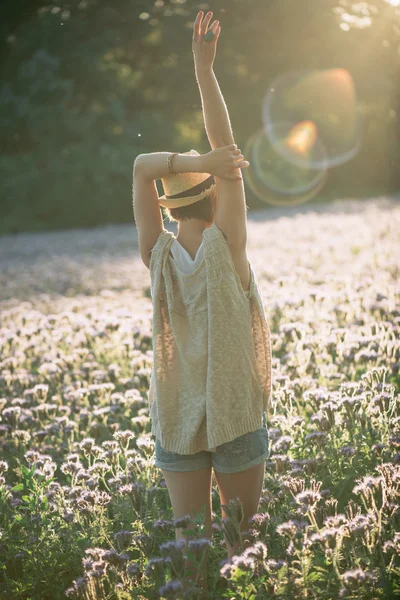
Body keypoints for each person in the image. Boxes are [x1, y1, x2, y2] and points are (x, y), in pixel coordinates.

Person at [132, 10, 272, 596]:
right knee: (244, 555)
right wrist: (203, 69)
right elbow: (226, 147)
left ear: (167, 207)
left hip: (176, 417)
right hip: (234, 407)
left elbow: (141, 166)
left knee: (188, 561)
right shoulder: (228, 246)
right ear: (218, 196)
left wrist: (194, 166)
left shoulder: (156, 255)